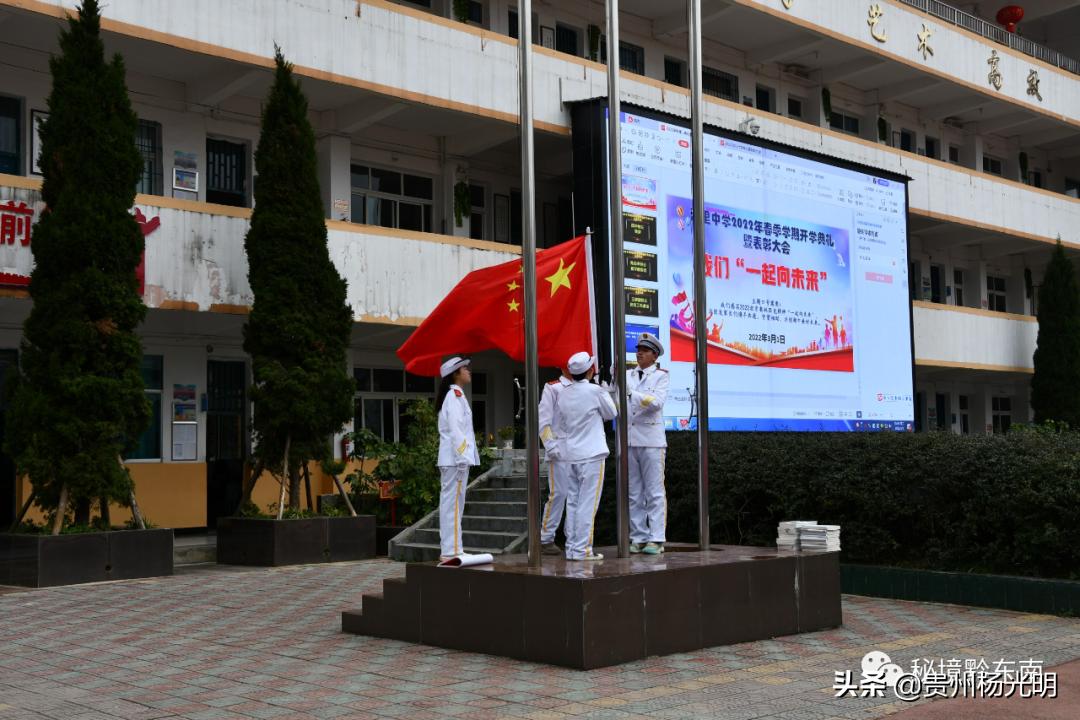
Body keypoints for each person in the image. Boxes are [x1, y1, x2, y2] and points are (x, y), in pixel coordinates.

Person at [555, 351, 618, 561]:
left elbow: (562, 421)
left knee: (572, 502)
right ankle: (582, 549)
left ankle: (572, 548)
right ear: (590, 371)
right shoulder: (595, 391)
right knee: (587, 504)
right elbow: (612, 413)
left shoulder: (563, 393)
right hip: (591, 454)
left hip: (571, 453)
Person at [625, 332, 670, 555]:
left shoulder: (660, 376)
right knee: (634, 492)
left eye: (644, 350)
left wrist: (632, 394)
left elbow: (657, 403)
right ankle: (639, 536)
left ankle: (657, 538)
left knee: (654, 491)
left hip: (652, 441)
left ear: (654, 355)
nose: (639, 353)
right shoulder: (627, 374)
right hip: (631, 439)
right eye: (638, 349)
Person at [436, 356, 479, 561]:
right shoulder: (454, 396)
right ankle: (451, 550)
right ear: (455, 373)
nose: (468, 371)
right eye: (465, 368)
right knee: (452, 505)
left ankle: (453, 547)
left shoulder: (456, 395)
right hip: (455, 459)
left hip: (453, 459)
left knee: (453, 504)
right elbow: (456, 430)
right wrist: (463, 456)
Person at [538, 366, 572, 556]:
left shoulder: (581, 387)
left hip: (578, 448)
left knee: (576, 496)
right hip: (559, 448)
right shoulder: (553, 388)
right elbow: (543, 421)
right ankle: (546, 538)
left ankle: (573, 537)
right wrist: (551, 446)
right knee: (559, 493)